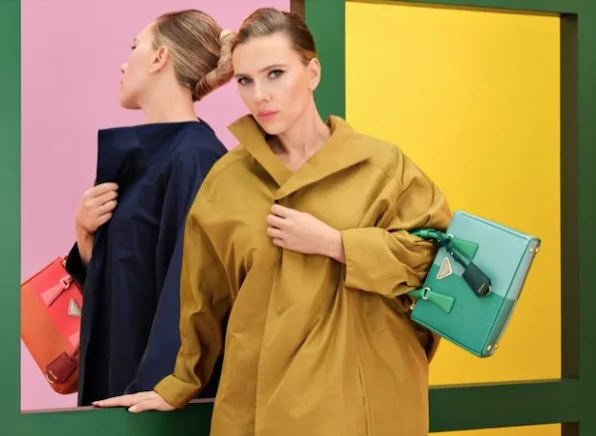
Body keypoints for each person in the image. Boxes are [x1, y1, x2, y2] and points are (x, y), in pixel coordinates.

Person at [95, 7, 452, 435]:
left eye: (275, 74)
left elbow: (436, 264)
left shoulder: (383, 167)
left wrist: (337, 244)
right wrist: (178, 384)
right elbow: (202, 300)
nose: (260, 95)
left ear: (312, 73)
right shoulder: (226, 181)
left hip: (366, 401)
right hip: (259, 404)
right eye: (246, 81)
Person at [65, 9, 234, 407]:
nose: (124, 64)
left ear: (160, 58)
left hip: (153, 400)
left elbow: (190, 289)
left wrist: (160, 387)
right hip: (124, 382)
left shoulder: (196, 157)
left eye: (134, 47)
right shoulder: (152, 156)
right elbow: (130, 279)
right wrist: (86, 237)